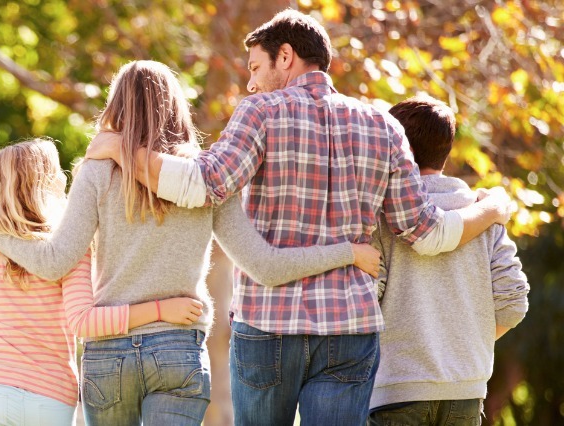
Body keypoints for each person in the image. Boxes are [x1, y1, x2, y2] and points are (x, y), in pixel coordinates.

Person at [84, 10, 515, 425]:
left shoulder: (261, 112)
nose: (252, 83)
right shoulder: (385, 128)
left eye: (255, 68)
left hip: (269, 323)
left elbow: (203, 184)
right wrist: (489, 209)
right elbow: (425, 231)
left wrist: (125, 147)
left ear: (285, 56)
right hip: (349, 328)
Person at [0, 61, 382, 426]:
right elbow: (265, 264)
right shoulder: (207, 178)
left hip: (108, 359)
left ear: (116, 107)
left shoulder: (99, 172)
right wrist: (347, 252)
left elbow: (54, 262)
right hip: (177, 350)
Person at [0, 138, 209, 426]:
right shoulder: (70, 249)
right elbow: (84, 323)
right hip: (50, 395)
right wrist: (159, 310)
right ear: (44, 186)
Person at [367, 96, 530, 425]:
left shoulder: (382, 216)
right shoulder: (484, 213)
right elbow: (514, 302)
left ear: (397, 147)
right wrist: (460, 341)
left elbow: (367, 301)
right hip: (465, 391)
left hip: (395, 390)